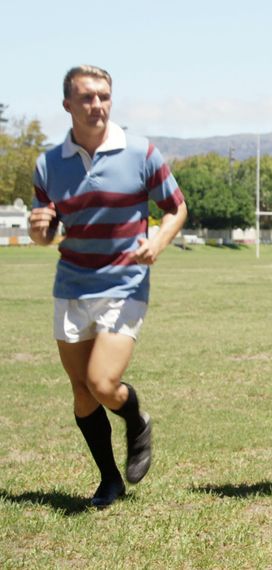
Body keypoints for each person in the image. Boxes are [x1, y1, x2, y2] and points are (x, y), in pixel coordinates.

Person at [28, 65, 188, 508]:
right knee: (81, 390)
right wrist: (38, 229)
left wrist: (158, 239)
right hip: (71, 286)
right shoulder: (48, 164)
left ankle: (136, 421)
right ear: (68, 105)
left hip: (125, 282)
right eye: (86, 97)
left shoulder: (141, 152)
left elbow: (176, 208)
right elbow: (46, 233)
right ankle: (109, 479)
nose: (96, 104)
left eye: (103, 96)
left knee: (102, 383)